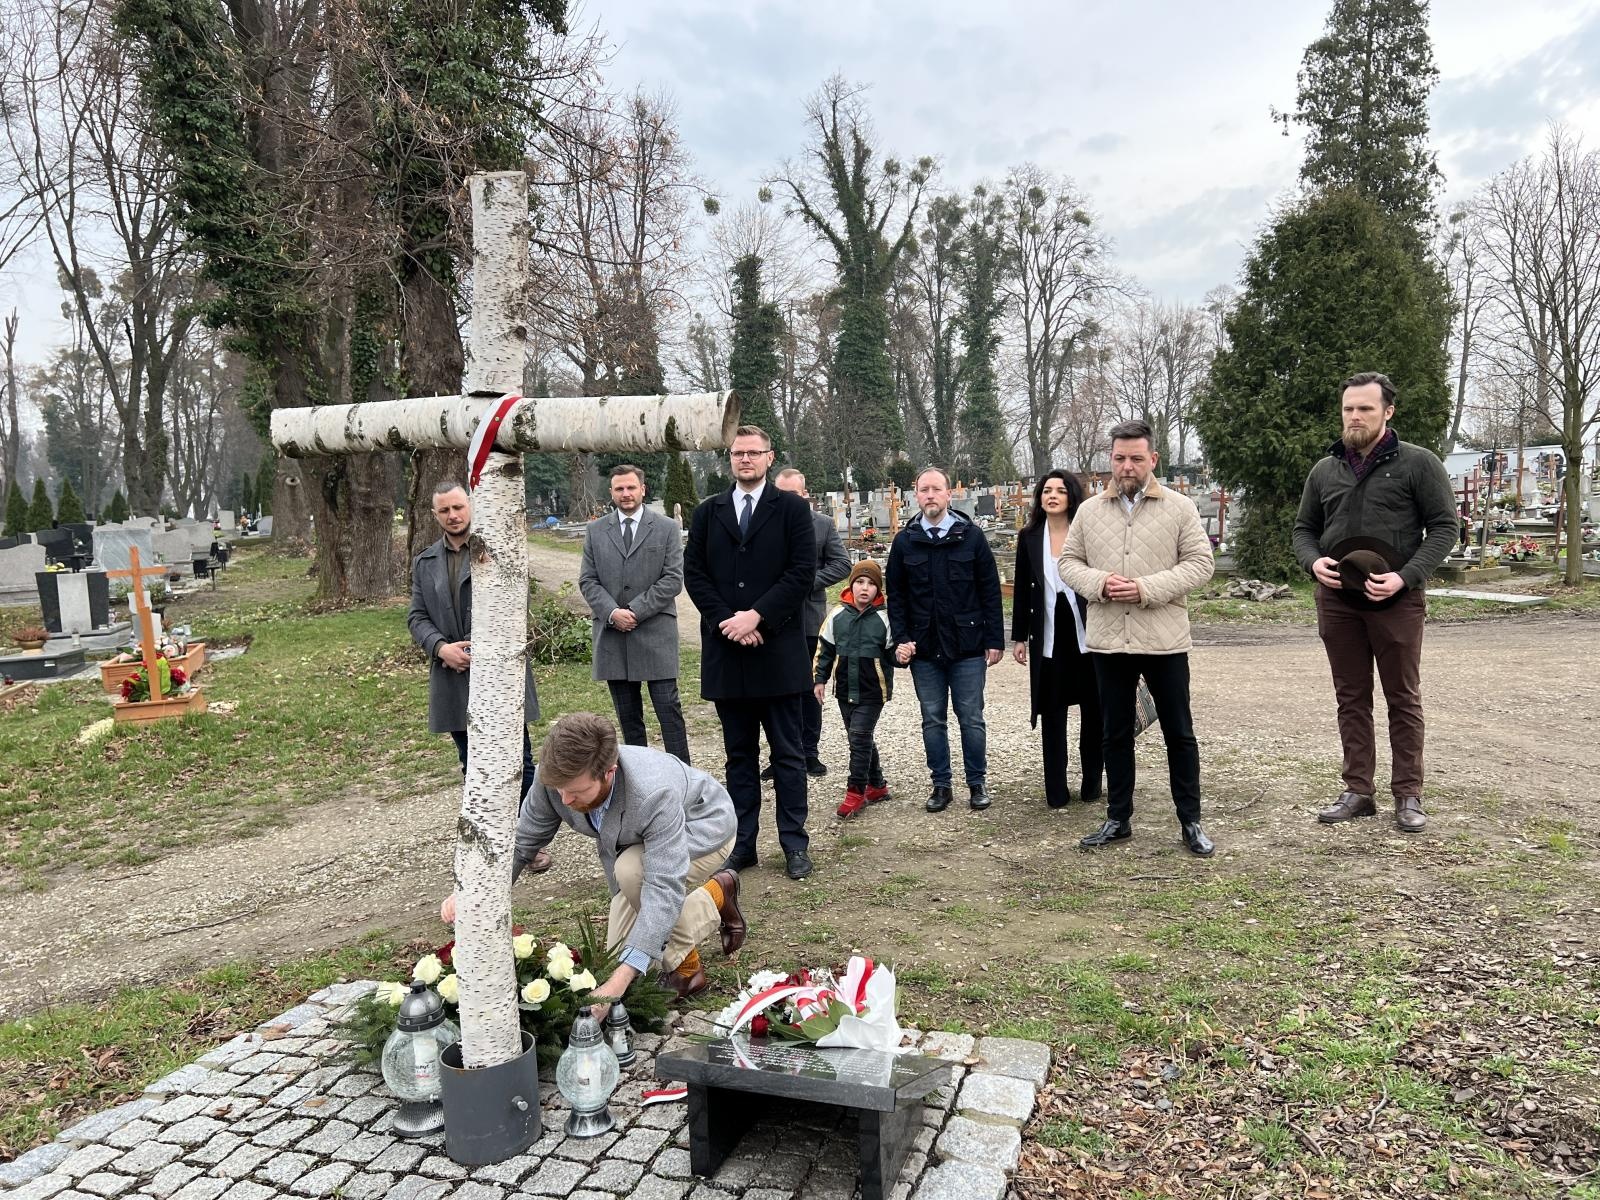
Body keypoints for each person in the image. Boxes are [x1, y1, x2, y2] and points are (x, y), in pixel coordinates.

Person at [440, 713, 745, 1008]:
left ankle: (688, 971)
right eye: (560, 789)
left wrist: (619, 981)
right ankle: (716, 895)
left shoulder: (655, 792)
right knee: (616, 958)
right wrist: (472, 892)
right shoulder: (557, 779)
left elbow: (663, 887)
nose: (565, 800)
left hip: (702, 828)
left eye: (576, 791)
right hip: (640, 843)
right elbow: (522, 843)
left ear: (609, 771)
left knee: (631, 880)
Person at [1292, 371, 1457, 833]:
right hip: (1338, 600)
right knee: (1351, 697)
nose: (1355, 416)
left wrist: (1406, 578)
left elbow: (1445, 527)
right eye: (1349, 408)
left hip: (1396, 601)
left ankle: (1408, 795)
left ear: (1387, 412)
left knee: (1402, 697)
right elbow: (1304, 529)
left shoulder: (1418, 464)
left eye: (1365, 408)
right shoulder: (1325, 470)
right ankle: (1358, 791)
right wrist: (1313, 564)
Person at [1058, 420, 1216, 857]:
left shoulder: (1179, 508)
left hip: (1164, 639)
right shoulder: (1090, 511)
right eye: (1119, 458)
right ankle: (1118, 817)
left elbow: (1201, 565)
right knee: (1114, 732)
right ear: (1110, 459)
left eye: (1136, 458)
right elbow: (1069, 563)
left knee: (1179, 732)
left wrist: (1147, 588)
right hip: (1109, 640)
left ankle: (1190, 820)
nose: (1127, 466)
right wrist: (1100, 583)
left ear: (1153, 460)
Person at [683, 425, 818, 880]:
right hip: (729, 653)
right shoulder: (708, 513)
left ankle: (794, 843)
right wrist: (731, 623)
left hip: (777, 650)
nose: (745, 459)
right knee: (738, 756)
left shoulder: (792, 511)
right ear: (730, 459)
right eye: (738, 453)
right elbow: (696, 575)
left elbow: (801, 573)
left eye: (753, 453)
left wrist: (757, 617)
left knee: (788, 754)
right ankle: (743, 844)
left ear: (769, 457)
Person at [408, 480, 550, 872]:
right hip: (453, 678)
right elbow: (416, 617)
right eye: (444, 511)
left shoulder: (497, 550)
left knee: (516, 759)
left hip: (501, 674)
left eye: (458, 507)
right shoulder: (425, 563)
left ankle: (528, 840)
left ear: (469, 506)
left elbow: (516, 605)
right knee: (471, 761)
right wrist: (441, 648)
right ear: (435, 515)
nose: (453, 516)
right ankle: (490, 840)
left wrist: (487, 649)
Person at [885, 467, 1005, 813]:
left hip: (966, 645)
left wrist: (994, 639)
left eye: (937, 489)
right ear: (916, 496)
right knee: (932, 718)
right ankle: (941, 784)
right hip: (924, 647)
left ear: (949, 494)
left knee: (971, 717)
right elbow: (897, 594)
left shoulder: (971, 536)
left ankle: (976, 782)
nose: (931, 495)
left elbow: (989, 591)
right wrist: (902, 639)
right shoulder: (906, 541)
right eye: (924, 490)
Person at [578, 464, 690, 764]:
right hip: (614, 636)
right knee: (628, 718)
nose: (625, 494)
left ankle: (684, 779)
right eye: (619, 489)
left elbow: (672, 579)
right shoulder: (596, 530)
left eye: (631, 488)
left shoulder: (666, 528)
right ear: (612, 492)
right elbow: (588, 580)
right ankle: (640, 779)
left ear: (643, 489)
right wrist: (612, 612)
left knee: (669, 712)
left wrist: (635, 611)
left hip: (655, 633)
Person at [1010, 469, 1104, 809]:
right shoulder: (1030, 536)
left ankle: (1093, 781)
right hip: (1049, 640)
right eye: (1046, 490)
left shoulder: (1087, 533)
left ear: (1071, 497)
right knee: (1052, 715)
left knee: (1094, 713)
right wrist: (1019, 636)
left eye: (1060, 491)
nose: (1052, 496)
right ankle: (1056, 790)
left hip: (1087, 638)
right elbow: (1022, 589)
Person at [773, 468, 851, 777]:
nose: (787, 500)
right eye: (781, 495)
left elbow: (842, 564)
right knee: (776, 692)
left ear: (805, 494)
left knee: (809, 689)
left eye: (793, 494)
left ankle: (809, 752)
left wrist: (806, 583)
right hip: (774, 623)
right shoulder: (767, 524)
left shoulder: (822, 524)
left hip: (808, 621)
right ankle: (780, 754)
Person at [812, 559, 895, 818]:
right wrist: (820, 679)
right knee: (859, 738)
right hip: (845, 689)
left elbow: (893, 654)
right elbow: (824, 650)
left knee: (859, 737)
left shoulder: (885, 618)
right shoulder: (837, 615)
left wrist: (903, 655)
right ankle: (877, 785)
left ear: (878, 590)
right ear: (851, 585)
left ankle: (855, 791)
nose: (864, 588)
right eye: (860, 582)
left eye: (871, 584)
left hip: (873, 691)